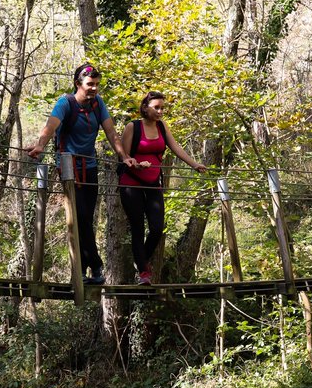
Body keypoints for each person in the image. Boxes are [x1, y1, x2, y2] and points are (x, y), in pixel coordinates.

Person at [26, 64, 135, 284]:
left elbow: (112, 132)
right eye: (89, 84)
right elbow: (51, 126)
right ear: (78, 84)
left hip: (90, 166)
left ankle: (85, 271)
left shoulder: (98, 104)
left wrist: (124, 156)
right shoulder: (65, 103)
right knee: (80, 217)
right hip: (68, 168)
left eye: (96, 84)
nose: (94, 88)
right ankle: (94, 267)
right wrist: (40, 145)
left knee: (86, 217)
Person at [119, 91, 206, 285]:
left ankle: (141, 261)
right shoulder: (132, 127)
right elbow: (123, 156)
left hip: (153, 182)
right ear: (145, 108)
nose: (160, 111)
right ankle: (144, 272)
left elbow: (176, 147)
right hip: (131, 181)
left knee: (157, 228)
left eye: (162, 108)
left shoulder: (162, 127)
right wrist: (135, 163)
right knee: (138, 228)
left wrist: (194, 164)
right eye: (156, 107)